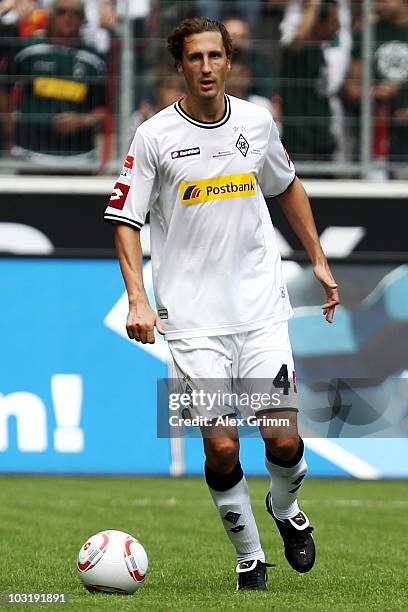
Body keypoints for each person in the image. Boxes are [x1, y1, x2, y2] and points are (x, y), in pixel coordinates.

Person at [104, 17, 339, 591]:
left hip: (260, 311)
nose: (205, 67)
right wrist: (138, 298)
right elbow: (125, 219)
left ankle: (285, 510)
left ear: (229, 61)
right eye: (194, 58)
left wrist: (318, 256)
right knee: (222, 442)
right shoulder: (154, 135)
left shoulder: (257, 124)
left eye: (215, 56)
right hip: (192, 322)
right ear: (179, 66)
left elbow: (287, 186)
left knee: (282, 438)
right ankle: (250, 557)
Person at [9, 0, 106, 169]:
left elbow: (104, 110)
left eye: (75, 13)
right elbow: (5, 93)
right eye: (61, 12)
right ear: (51, 16)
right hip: (29, 156)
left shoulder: (94, 60)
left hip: (80, 159)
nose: (68, 18)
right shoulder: (27, 52)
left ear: (83, 19)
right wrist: (9, 139)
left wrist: (81, 120)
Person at [346, 0, 408, 167]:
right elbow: (352, 89)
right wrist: (375, 91)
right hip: (376, 135)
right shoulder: (367, 33)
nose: (379, 5)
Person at [279, 0, 339, 160]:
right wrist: (314, 5)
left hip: (323, 142)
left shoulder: (321, 50)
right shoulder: (296, 53)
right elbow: (299, 40)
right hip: (300, 144)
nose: (338, 27)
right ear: (318, 23)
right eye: (334, 22)